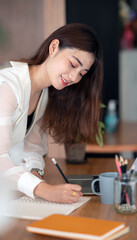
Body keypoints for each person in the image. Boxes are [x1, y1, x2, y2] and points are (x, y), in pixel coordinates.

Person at [0, 23, 103, 203]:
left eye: (81, 73)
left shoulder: (44, 94)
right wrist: (43, 189)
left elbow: (32, 147)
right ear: (54, 47)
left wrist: (35, 173)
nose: (73, 77)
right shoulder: (7, 87)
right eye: (72, 64)